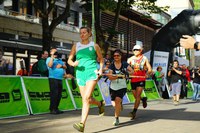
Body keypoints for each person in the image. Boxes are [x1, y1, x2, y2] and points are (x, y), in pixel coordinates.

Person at [67, 27, 105, 132]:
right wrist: (73, 63)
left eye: (84, 33)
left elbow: (101, 59)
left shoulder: (94, 45)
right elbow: (69, 60)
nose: (82, 34)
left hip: (91, 73)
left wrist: (100, 69)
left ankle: (82, 124)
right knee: (86, 99)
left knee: (87, 97)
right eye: (81, 33)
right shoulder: (76, 46)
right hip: (80, 74)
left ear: (89, 34)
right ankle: (100, 104)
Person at [106, 49, 133, 126]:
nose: (116, 57)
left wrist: (127, 73)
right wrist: (117, 76)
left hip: (122, 86)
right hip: (113, 87)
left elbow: (132, 72)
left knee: (117, 101)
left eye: (118, 55)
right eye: (114, 56)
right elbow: (110, 77)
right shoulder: (112, 65)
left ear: (121, 56)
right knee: (114, 104)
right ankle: (119, 105)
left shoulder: (124, 64)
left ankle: (116, 118)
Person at [127, 43, 152, 120]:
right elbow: (126, 68)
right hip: (133, 79)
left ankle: (134, 112)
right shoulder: (130, 59)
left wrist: (147, 74)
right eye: (134, 50)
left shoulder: (144, 58)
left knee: (137, 96)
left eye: (137, 50)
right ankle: (143, 99)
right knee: (136, 97)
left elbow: (150, 69)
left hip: (141, 79)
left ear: (141, 50)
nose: (135, 51)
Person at [46, 48, 67, 114]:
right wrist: (52, 57)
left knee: (59, 94)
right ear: (51, 53)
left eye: (56, 52)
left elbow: (65, 66)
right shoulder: (49, 59)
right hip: (53, 78)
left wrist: (62, 66)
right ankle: (52, 109)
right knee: (54, 94)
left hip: (60, 78)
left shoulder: (59, 60)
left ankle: (56, 108)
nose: (55, 53)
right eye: (54, 52)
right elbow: (50, 65)